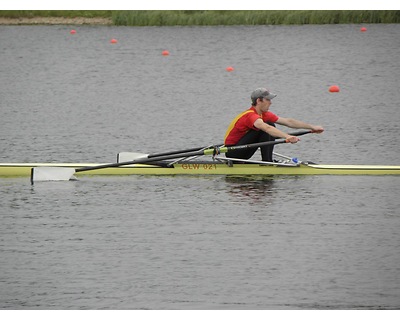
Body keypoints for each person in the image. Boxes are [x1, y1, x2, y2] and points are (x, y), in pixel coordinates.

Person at [224, 88, 324, 162]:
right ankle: (267, 162)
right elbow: (266, 128)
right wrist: (287, 137)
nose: (270, 103)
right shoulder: (250, 115)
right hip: (234, 152)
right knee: (267, 126)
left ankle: (268, 161)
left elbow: (288, 122)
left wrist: (312, 127)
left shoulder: (264, 114)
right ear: (259, 101)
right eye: (268, 100)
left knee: (269, 124)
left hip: (244, 149)